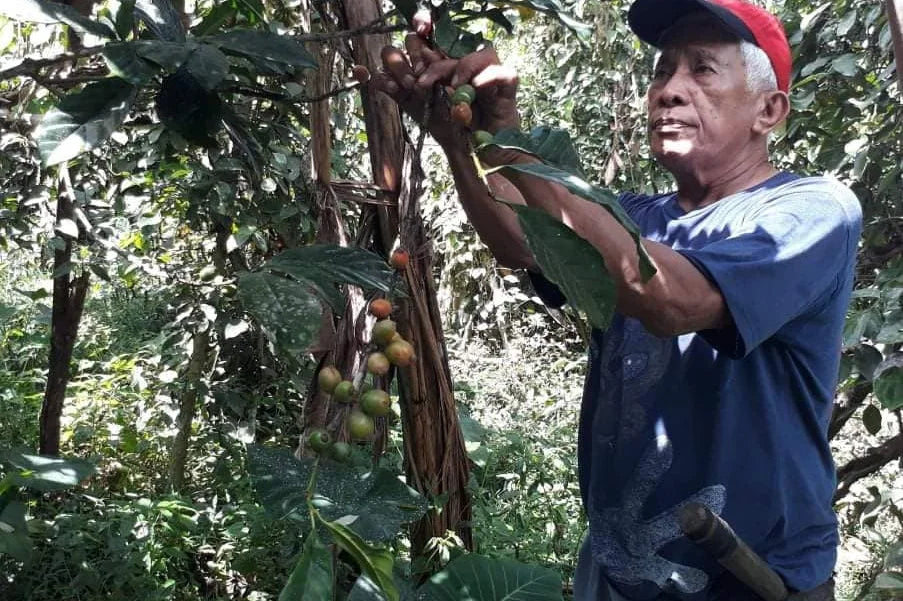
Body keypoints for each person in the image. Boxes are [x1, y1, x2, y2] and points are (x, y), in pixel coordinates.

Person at [372, 0, 862, 599]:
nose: (669, 91)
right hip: (619, 573)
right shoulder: (631, 214)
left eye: (702, 70)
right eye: (663, 71)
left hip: (751, 582)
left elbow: (667, 297)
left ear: (769, 110)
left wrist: (510, 141)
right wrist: (461, 139)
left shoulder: (810, 212)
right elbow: (524, 240)